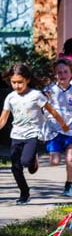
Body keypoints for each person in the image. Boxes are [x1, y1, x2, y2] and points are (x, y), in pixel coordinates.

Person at [0, 62, 69, 204]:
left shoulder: (36, 95)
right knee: (15, 168)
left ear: (27, 80)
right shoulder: (10, 98)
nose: (17, 85)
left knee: (25, 161)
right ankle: (24, 193)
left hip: (32, 134)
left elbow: (52, 111)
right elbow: (3, 118)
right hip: (16, 135)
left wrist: (62, 124)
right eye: (13, 82)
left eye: (20, 82)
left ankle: (32, 160)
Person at [43, 58, 72, 197]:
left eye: (65, 71)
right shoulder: (49, 90)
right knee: (54, 162)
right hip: (54, 132)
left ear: (71, 73)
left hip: (71, 131)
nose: (62, 74)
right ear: (55, 75)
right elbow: (41, 109)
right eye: (59, 72)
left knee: (70, 159)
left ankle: (69, 184)